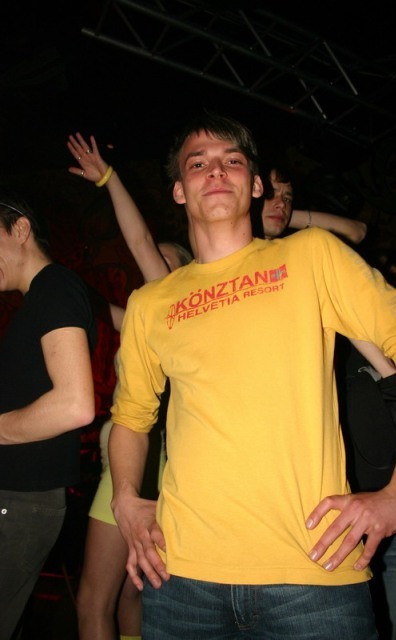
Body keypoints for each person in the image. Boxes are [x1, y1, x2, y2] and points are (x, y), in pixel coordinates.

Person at [109, 113, 396, 639]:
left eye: (232, 160)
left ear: (255, 186)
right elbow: (130, 418)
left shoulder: (311, 254)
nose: (216, 170)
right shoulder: (151, 303)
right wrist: (124, 499)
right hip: (181, 577)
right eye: (198, 164)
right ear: (179, 191)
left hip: (315, 575)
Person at [67, 133, 192, 640]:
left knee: (93, 601)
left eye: (163, 262)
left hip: (140, 470)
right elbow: (96, 309)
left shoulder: (178, 307)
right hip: (140, 465)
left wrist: (109, 179)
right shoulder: (145, 317)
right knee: (131, 593)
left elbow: (140, 242)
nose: (148, 270)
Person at [0, 193, 96, 640]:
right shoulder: (43, 296)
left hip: (19, 501)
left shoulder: (55, 286)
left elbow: (75, 404)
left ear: (20, 229)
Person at [259, 162, 367, 244]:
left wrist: (283, 216)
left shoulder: (289, 249)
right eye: (269, 194)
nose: (283, 204)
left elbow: (357, 231)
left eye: (287, 199)